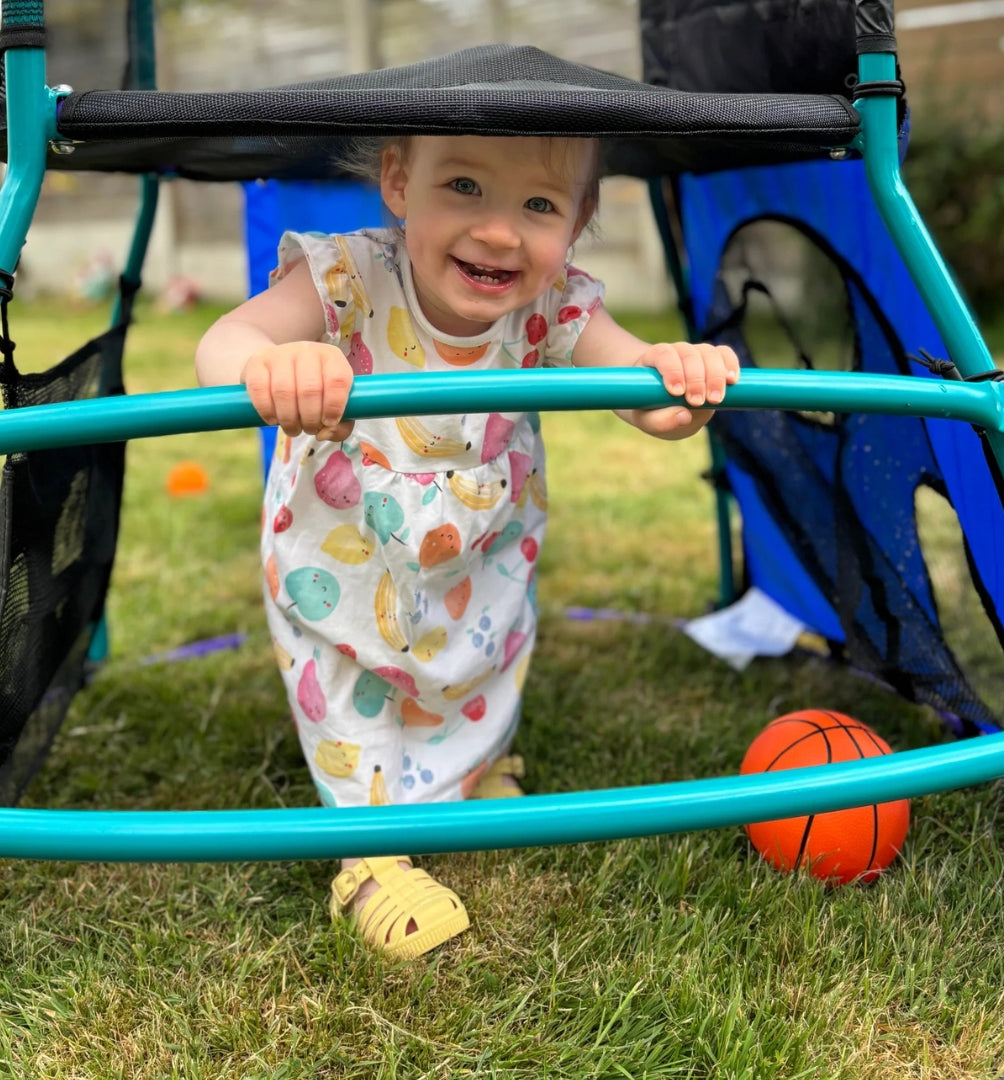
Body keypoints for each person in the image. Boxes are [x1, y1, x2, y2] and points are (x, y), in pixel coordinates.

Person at [195, 134, 739, 959]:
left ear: (580, 219)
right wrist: (272, 366)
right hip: (342, 548)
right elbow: (224, 343)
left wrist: (678, 378)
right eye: (463, 186)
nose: (498, 232)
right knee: (349, 683)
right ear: (397, 179)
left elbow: (648, 394)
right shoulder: (349, 273)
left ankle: (474, 769)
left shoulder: (555, 300)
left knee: (480, 653)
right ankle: (368, 856)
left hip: (479, 547)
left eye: (540, 205)